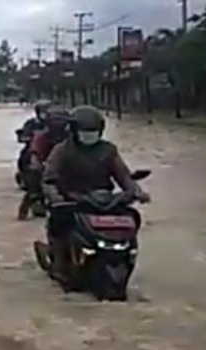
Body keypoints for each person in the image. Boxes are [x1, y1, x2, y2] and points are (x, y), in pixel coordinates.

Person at [42, 105, 150, 281]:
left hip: (104, 200)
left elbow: (123, 176)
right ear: (75, 130)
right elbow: (49, 180)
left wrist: (136, 192)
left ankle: (125, 256)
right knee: (59, 223)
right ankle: (59, 264)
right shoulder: (62, 151)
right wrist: (56, 198)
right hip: (73, 201)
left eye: (93, 131)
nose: (89, 135)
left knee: (130, 217)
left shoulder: (108, 150)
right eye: (85, 131)